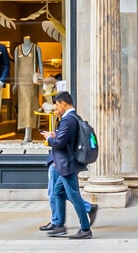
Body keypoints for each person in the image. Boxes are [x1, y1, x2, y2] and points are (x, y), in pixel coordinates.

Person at [41, 91, 95, 240]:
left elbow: (60, 144)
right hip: (64, 164)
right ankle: (59, 226)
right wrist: (55, 135)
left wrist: (49, 139)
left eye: (57, 105)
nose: (56, 109)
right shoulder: (72, 118)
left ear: (64, 104)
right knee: (58, 192)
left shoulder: (68, 120)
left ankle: (85, 229)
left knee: (74, 195)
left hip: (66, 165)